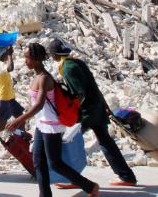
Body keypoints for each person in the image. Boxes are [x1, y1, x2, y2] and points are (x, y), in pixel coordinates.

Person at [6, 43, 99, 197]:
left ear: (36, 59)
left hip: (52, 126)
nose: (25, 61)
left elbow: (39, 104)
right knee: (38, 161)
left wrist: (18, 120)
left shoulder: (44, 78)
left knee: (55, 163)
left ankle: (89, 186)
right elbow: (35, 106)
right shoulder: (37, 76)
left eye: (27, 57)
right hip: (41, 125)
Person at [47, 38, 137, 187]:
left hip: (86, 112)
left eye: (51, 53)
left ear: (54, 54)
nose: (51, 56)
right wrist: (105, 105)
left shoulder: (68, 68)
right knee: (106, 142)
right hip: (97, 108)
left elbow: (80, 93)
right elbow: (93, 85)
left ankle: (73, 178)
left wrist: (72, 112)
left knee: (69, 141)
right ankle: (127, 176)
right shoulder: (77, 62)